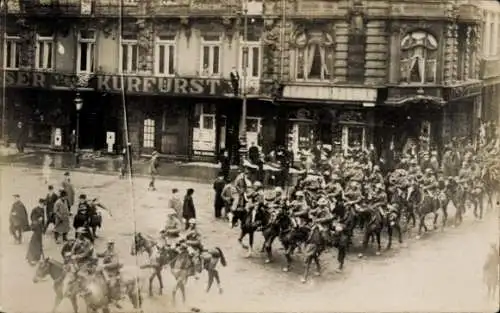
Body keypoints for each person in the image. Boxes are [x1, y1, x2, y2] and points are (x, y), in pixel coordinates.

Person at [96, 240, 123, 308]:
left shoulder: (115, 252)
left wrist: (105, 266)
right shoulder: (107, 251)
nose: (109, 245)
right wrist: (95, 253)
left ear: (113, 244)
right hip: (105, 270)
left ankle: (113, 299)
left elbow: (115, 263)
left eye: (111, 244)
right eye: (108, 244)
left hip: (113, 271)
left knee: (111, 285)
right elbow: (101, 254)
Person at [27, 199, 46, 265]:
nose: (43, 205)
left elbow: (43, 220)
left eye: (43, 204)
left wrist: (43, 227)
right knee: (35, 243)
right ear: (40, 203)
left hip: (40, 229)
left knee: (39, 243)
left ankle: (37, 258)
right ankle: (32, 258)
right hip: (36, 229)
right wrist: (38, 221)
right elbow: (32, 219)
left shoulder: (42, 209)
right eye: (42, 204)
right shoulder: (35, 210)